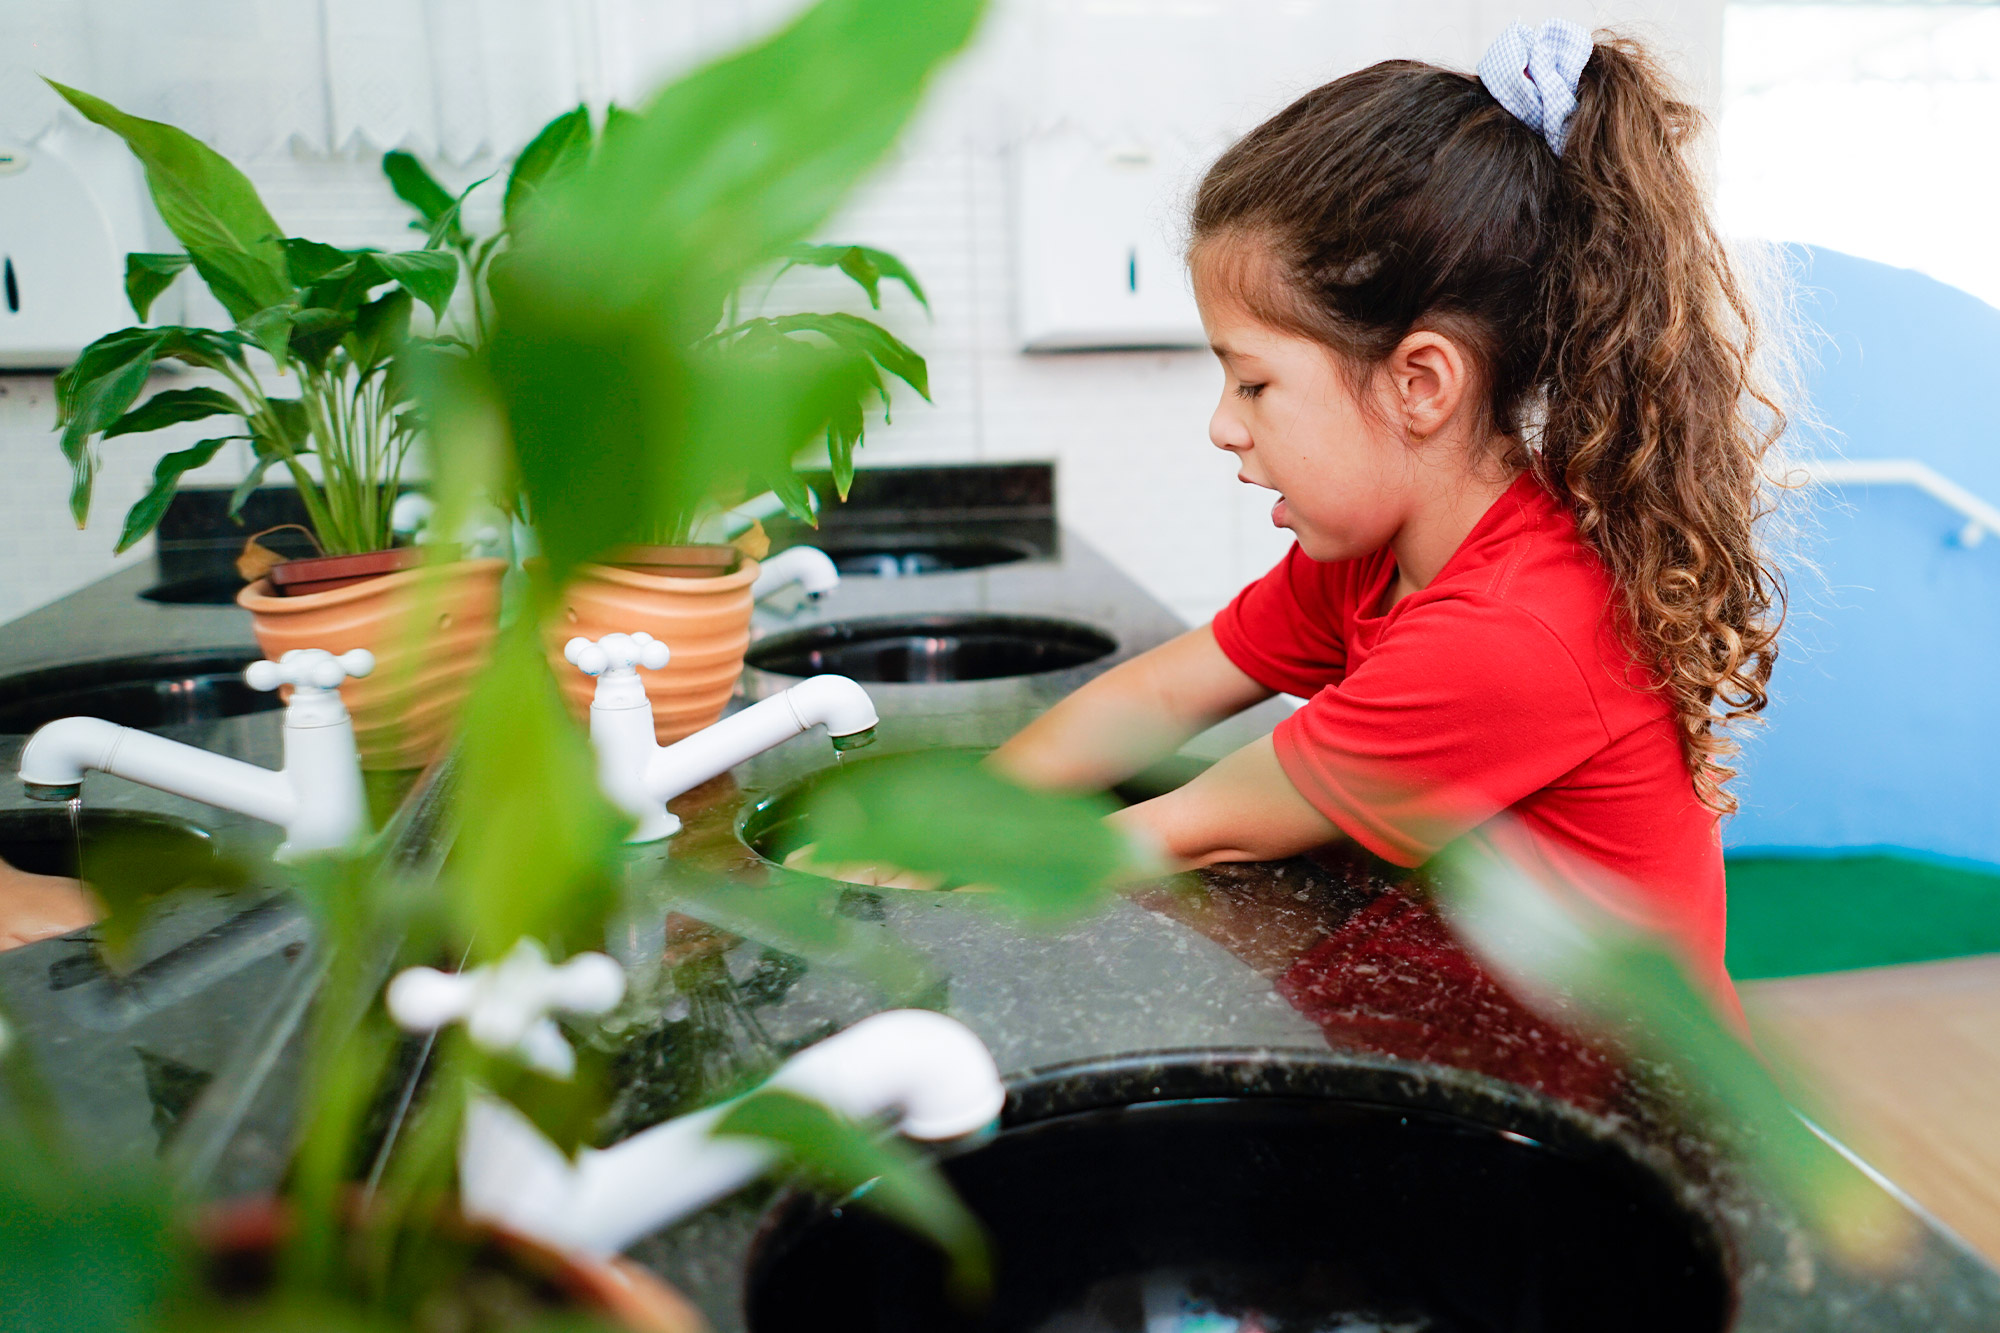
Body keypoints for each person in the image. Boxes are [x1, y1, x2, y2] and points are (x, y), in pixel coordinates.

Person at [990, 21, 1787, 1000]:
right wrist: (967, 806)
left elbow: (1201, 820)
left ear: (1419, 382)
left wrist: (942, 873)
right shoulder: (1371, 557)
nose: (1222, 427)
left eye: (1251, 384)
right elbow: (1156, 697)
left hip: (1620, 1119)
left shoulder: (1513, 628)